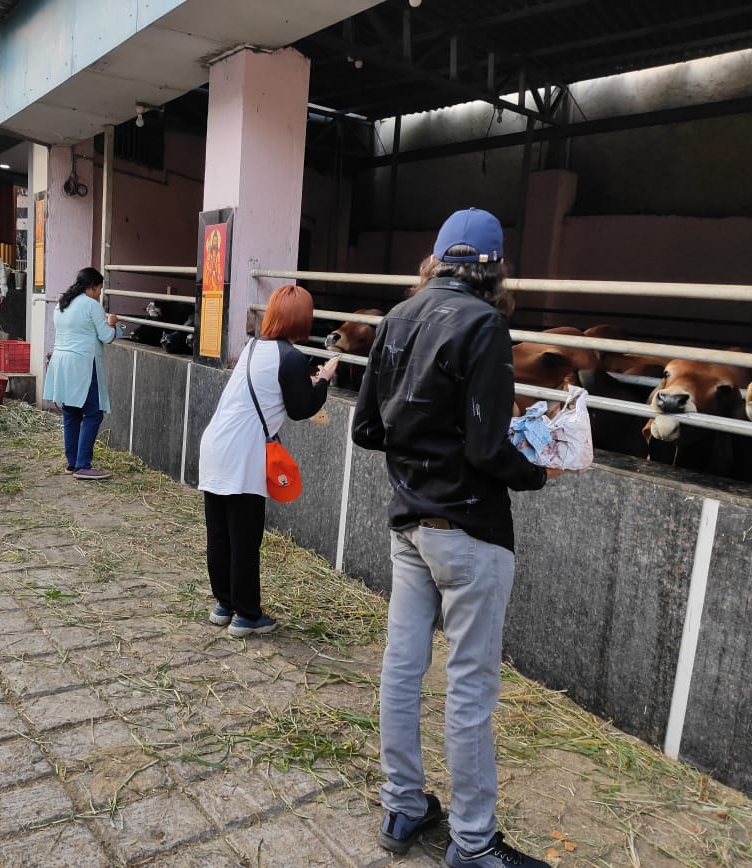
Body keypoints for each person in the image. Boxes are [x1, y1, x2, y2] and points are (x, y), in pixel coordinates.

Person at [352, 208, 559, 868]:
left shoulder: (396, 319)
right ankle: (473, 843)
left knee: (401, 667)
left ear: (435, 260)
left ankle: (403, 805)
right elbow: (487, 447)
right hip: (470, 529)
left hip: (409, 524)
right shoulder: (486, 325)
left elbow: (365, 430)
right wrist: (540, 469)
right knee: (470, 687)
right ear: (495, 269)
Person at [197, 285, 340, 638]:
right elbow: (300, 408)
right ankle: (247, 615)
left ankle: (224, 604)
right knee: (244, 537)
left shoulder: (253, 347)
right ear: (302, 320)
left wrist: (306, 383)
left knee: (219, 534)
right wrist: (323, 380)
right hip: (243, 453)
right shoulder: (291, 357)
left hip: (215, 445)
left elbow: (272, 389)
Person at [42, 268, 122, 480]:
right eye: (99, 289)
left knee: (71, 413)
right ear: (93, 287)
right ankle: (83, 464)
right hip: (83, 363)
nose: (99, 293)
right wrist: (113, 324)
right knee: (93, 412)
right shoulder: (91, 305)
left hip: (62, 363)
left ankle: (72, 462)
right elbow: (106, 336)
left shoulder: (62, 303)